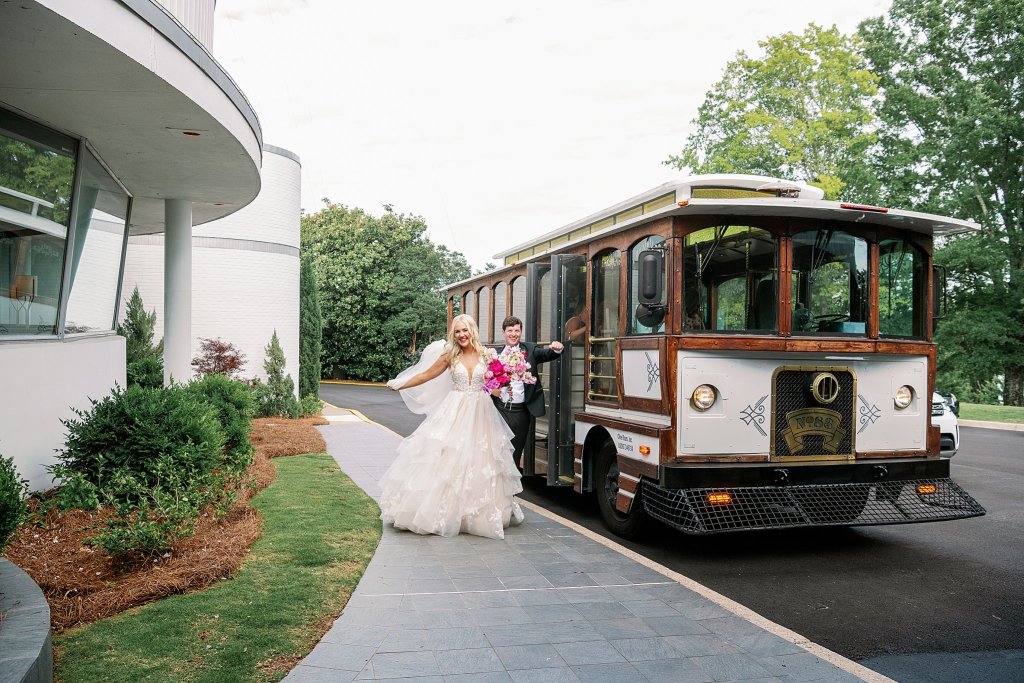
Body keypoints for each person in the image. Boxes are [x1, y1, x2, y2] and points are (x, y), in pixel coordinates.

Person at [382, 314, 524, 539]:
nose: (461, 335)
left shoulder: (486, 354)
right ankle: (441, 512)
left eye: (465, 330)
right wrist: (400, 384)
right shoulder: (450, 355)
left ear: (472, 330)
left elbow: (494, 384)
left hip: (482, 411)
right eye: (457, 331)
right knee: (448, 456)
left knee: (482, 459)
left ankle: (475, 514)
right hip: (455, 409)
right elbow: (425, 375)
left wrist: (504, 382)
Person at [493, 316, 563, 470]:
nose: (513, 334)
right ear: (503, 332)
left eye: (517, 330)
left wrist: (557, 349)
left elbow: (547, 354)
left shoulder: (530, 350)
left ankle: (511, 485)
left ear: (521, 332)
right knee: (498, 452)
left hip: (522, 412)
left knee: (515, 454)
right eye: (510, 330)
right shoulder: (495, 355)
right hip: (500, 410)